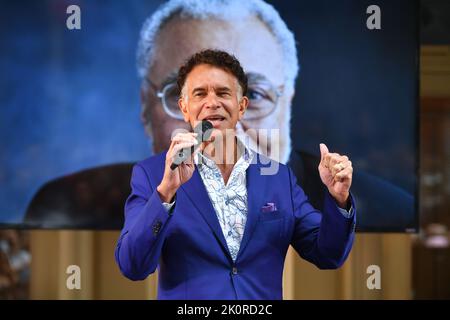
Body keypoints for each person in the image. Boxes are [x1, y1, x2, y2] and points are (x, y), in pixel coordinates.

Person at [24, 0, 412, 230]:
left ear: (288, 104)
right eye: (184, 96)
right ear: (145, 107)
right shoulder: (75, 208)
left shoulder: (388, 214)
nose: (217, 120)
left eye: (253, 95)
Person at [115, 50, 356, 299]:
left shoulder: (278, 177)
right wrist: (166, 192)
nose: (212, 103)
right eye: (200, 94)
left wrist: (339, 199)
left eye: (223, 93)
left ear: (241, 107)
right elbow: (133, 266)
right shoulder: (152, 174)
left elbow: (328, 254)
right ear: (184, 108)